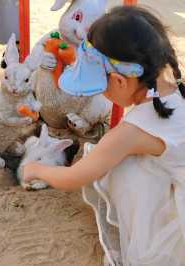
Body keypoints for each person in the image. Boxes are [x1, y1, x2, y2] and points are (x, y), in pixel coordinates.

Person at [23, 6, 185, 266]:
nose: (98, 94)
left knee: (116, 167)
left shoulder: (131, 132)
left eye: (99, 85)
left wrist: (35, 169)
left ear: (120, 82)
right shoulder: (168, 83)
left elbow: (74, 177)